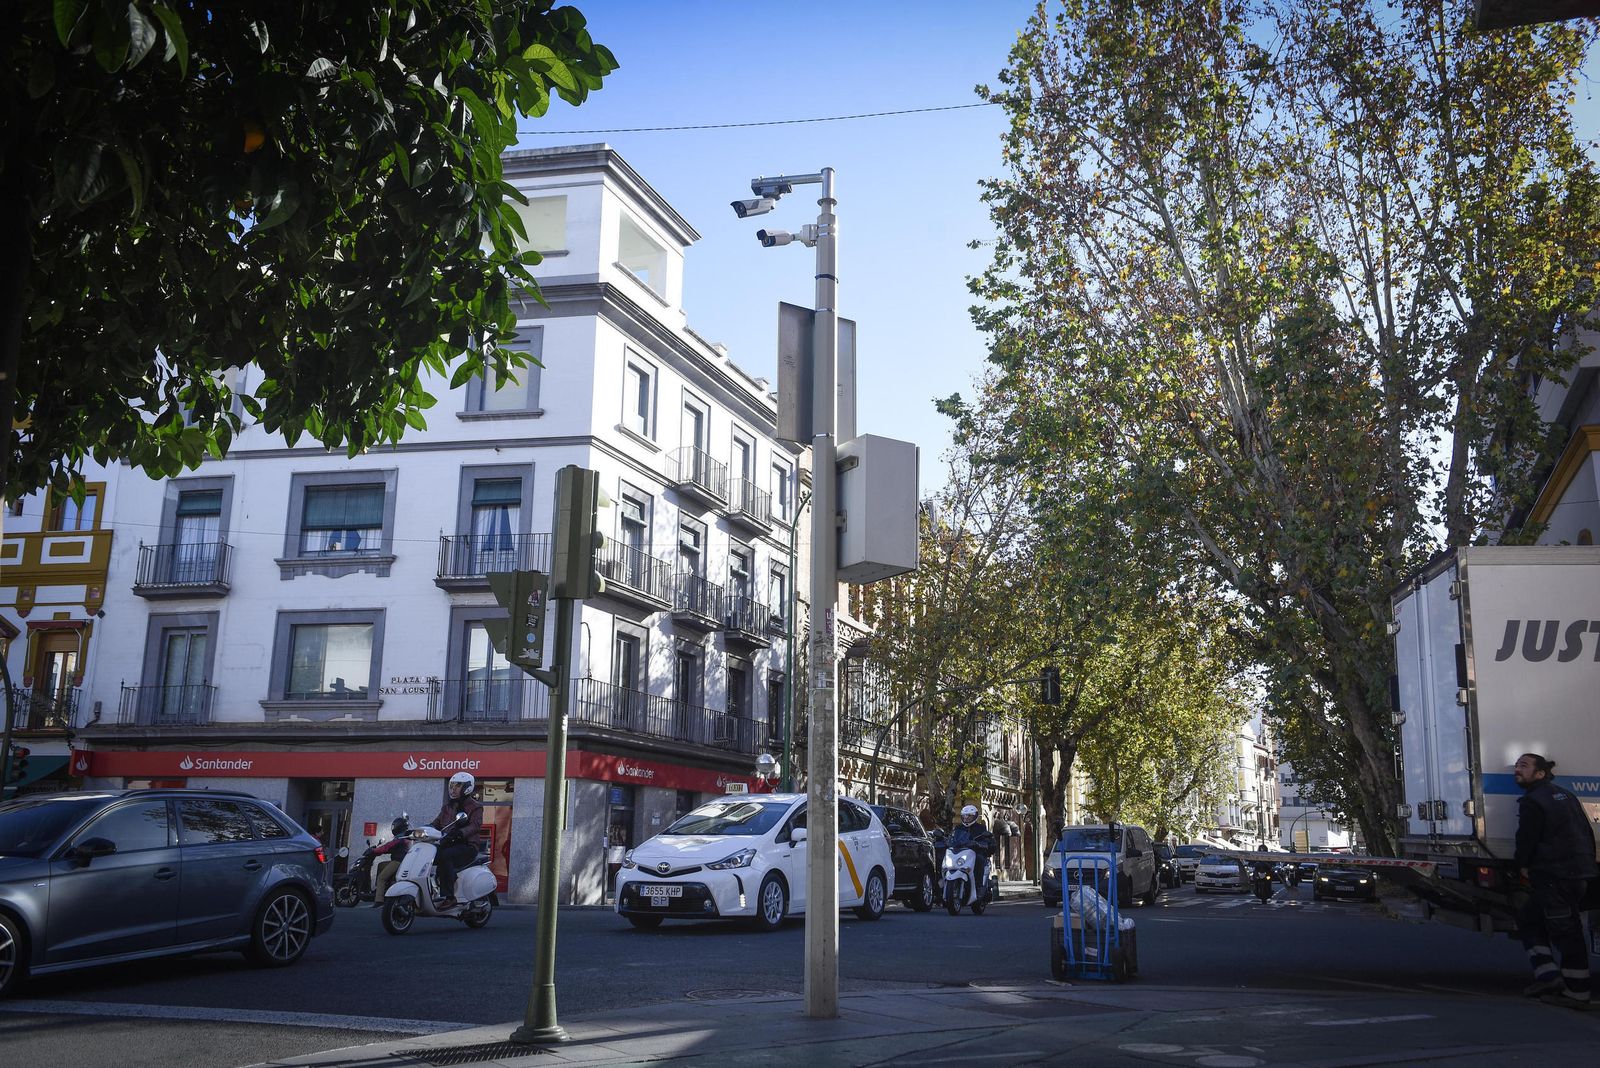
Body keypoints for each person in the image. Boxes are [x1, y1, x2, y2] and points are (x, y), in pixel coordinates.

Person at [1511, 752, 1597, 1009]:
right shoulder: (1565, 796)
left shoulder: (1533, 802)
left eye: (1523, 765)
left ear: (1540, 774)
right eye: (1516, 765)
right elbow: (1586, 831)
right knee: (1529, 918)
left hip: (1555, 876)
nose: (1517, 768)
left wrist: (1521, 865)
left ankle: (1578, 993)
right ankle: (1548, 976)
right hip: (1576, 873)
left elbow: (1527, 839)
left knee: (1566, 932)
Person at [429, 772, 484, 909]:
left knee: (444, 856)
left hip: (467, 846)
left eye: (457, 786)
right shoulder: (447, 807)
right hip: (448, 843)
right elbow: (436, 823)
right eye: (452, 785)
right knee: (426, 855)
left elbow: (475, 826)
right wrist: (421, 830)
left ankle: (449, 897)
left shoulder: (476, 806)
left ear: (467, 787)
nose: (453, 789)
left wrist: (460, 833)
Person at [948, 804, 995, 899]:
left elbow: (987, 840)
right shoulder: (958, 828)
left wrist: (980, 844)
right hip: (961, 852)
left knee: (979, 859)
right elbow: (952, 838)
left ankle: (979, 887)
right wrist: (948, 841)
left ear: (974, 816)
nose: (966, 818)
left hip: (975, 852)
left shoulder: (980, 828)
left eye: (969, 816)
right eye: (964, 816)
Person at [370, 815, 411, 906]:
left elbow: (388, 846)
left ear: (398, 827)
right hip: (401, 861)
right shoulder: (404, 837)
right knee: (381, 865)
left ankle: (379, 900)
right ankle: (380, 889)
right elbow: (391, 848)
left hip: (398, 862)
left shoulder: (401, 838)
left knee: (381, 878)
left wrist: (374, 851)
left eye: (394, 826)